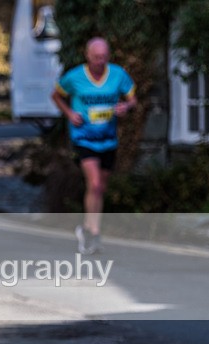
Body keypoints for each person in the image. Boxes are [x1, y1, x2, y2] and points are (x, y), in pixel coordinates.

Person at [51, 37, 137, 254]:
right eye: (96, 57)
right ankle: (95, 233)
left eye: (104, 57)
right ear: (88, 56)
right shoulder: (75, 77)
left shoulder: (117, 74)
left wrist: (126, 106)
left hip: (108, 139)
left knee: (100, 188)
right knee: (96, 184)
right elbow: (56, 95)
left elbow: (133, 99)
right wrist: (70, 113)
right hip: (84, 138)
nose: (100, 61)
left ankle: (87, 229)